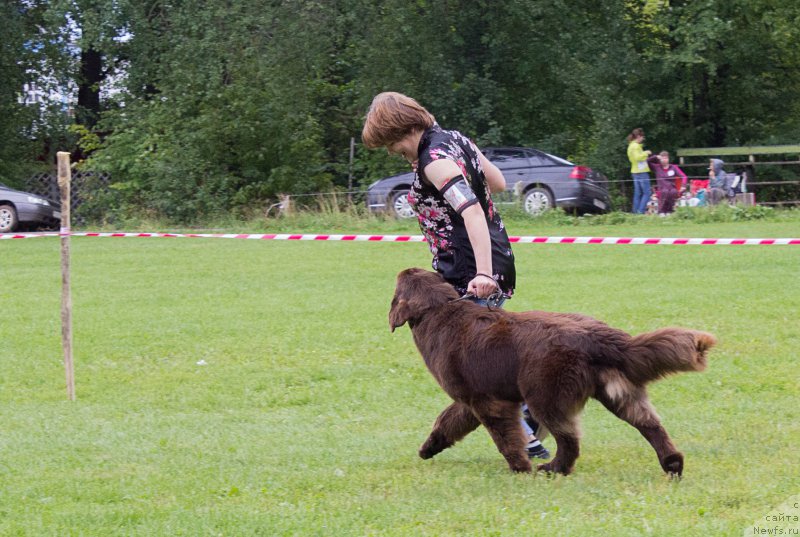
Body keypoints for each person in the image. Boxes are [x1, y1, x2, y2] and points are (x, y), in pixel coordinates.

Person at [362, 91, 549, 459]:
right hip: (498, 256)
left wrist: (482, 274)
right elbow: (495, 182)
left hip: (471, 271)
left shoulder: (433, 160)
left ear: (404, 127)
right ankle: (533, 417)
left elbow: (473, 211)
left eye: (391, 142)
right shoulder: (457, 140)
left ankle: (529, 440)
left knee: (476, 369)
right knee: (493, 357)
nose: (391, 151)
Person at [647, 151, 688, 215]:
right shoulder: (656, 167)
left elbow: (684, 176)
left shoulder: (674, 167)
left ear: (668, 159)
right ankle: (661, 212)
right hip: (661, 189)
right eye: (662, 158)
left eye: (666, 158)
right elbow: (647, 161)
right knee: (665, 191)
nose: (664, 160)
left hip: (672, 188)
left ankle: (670, 211)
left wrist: (683, 185)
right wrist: (655, 157)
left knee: (673, 192)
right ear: (660, 159)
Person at [626, 128, 652, 214]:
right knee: (647, 193)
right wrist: (646, 153)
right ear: (638, 136)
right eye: (642, 137)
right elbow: (638, 157)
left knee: (637, 193)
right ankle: (640, 212)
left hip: (635, 171)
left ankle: (635, 213)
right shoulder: (636, 146)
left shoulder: (630, 146)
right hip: (641, 172)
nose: (643, 139)